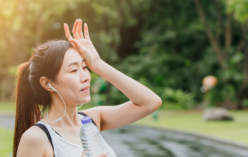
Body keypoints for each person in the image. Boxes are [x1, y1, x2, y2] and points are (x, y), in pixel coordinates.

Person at [13, 19, 162, 157]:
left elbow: (150, 102)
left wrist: (97, 63)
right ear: (47, 84)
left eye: (85, 67)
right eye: (73, 70)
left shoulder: (93, 120)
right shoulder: (36, 138)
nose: (85, 76)